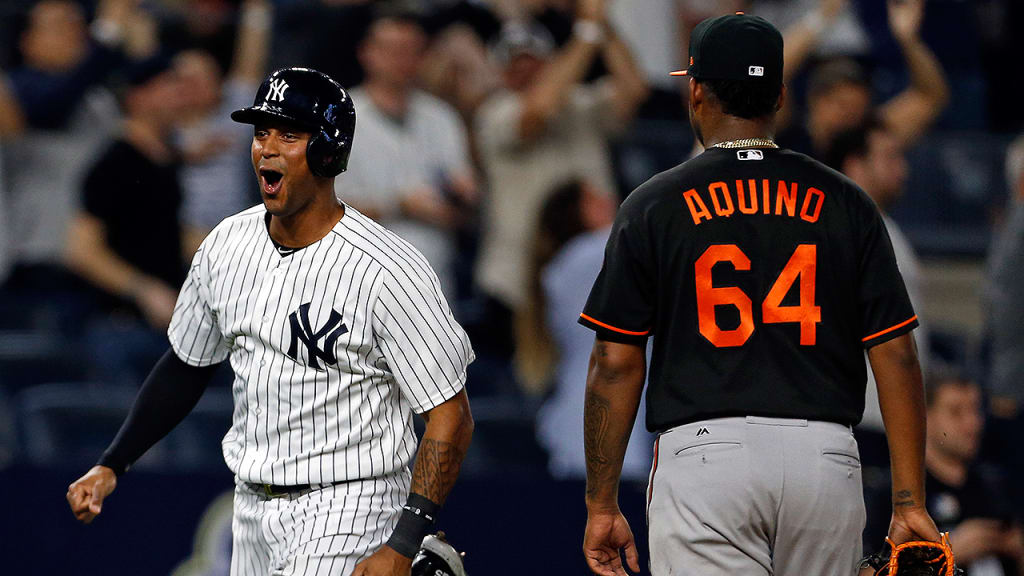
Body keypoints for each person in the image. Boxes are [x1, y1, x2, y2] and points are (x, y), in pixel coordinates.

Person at [66, 68, 475, 576]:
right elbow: (186, 365)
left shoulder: (387, 268)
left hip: (350, 506)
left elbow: (450, 413)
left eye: (289, 134)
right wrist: (114, 462)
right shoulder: (226, 244)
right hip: (251, 509)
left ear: (329, 150)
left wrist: (405, 535)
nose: (267, 148)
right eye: (261, 132)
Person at [578, 13, 940, 576]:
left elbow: (616, 361)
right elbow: (895, 352)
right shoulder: (847, 202)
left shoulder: (654, 203)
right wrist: (910, 501)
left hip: (705, 456)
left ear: (696, 91)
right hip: (824, 457)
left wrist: (601, 504)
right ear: (779, 95)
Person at [473, 0, 648, 356]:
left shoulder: (582, 104)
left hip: (593, 271)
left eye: (532, 59)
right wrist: (586, 33)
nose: (525, 69)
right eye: (514, 62)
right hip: (518, 285)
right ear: (501, 72)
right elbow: (536, 112)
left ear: (550, 61)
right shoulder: (494, 113)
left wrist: (604, 29)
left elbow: (634, 91)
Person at [336, 7, 478, 300]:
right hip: (358, 278)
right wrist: (399, 205)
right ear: (367, 53)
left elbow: (464, 206)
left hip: (433, 277)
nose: (402, 60)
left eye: (412, 50)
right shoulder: (338, 115)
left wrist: (464, 199)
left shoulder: (441, 117)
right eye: (392, 50)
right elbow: (320, 208)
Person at [64, 55, 190, 384]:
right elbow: (81, 251)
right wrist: (143, 290)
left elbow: (166, 234)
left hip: (167, 326)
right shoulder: (114, 164)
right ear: (138, 97)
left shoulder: (166, 161)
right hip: (120, 328)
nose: (181, 96)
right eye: (169, 87)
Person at [520, 178, 652, 480]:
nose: (609, 198)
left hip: (610, 406)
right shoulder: (585, 255)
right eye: (594, 199)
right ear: (574, 215)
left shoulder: (580, 258)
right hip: (597, 413)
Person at [777, 0, 949, 159]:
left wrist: (908, 40)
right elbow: (770, 69)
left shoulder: (867, 138)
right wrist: (820, 19)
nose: (850, 117)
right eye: (842, 105)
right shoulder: (785, 135)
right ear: (815, 100)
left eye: (858, 109)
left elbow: (929, 97)